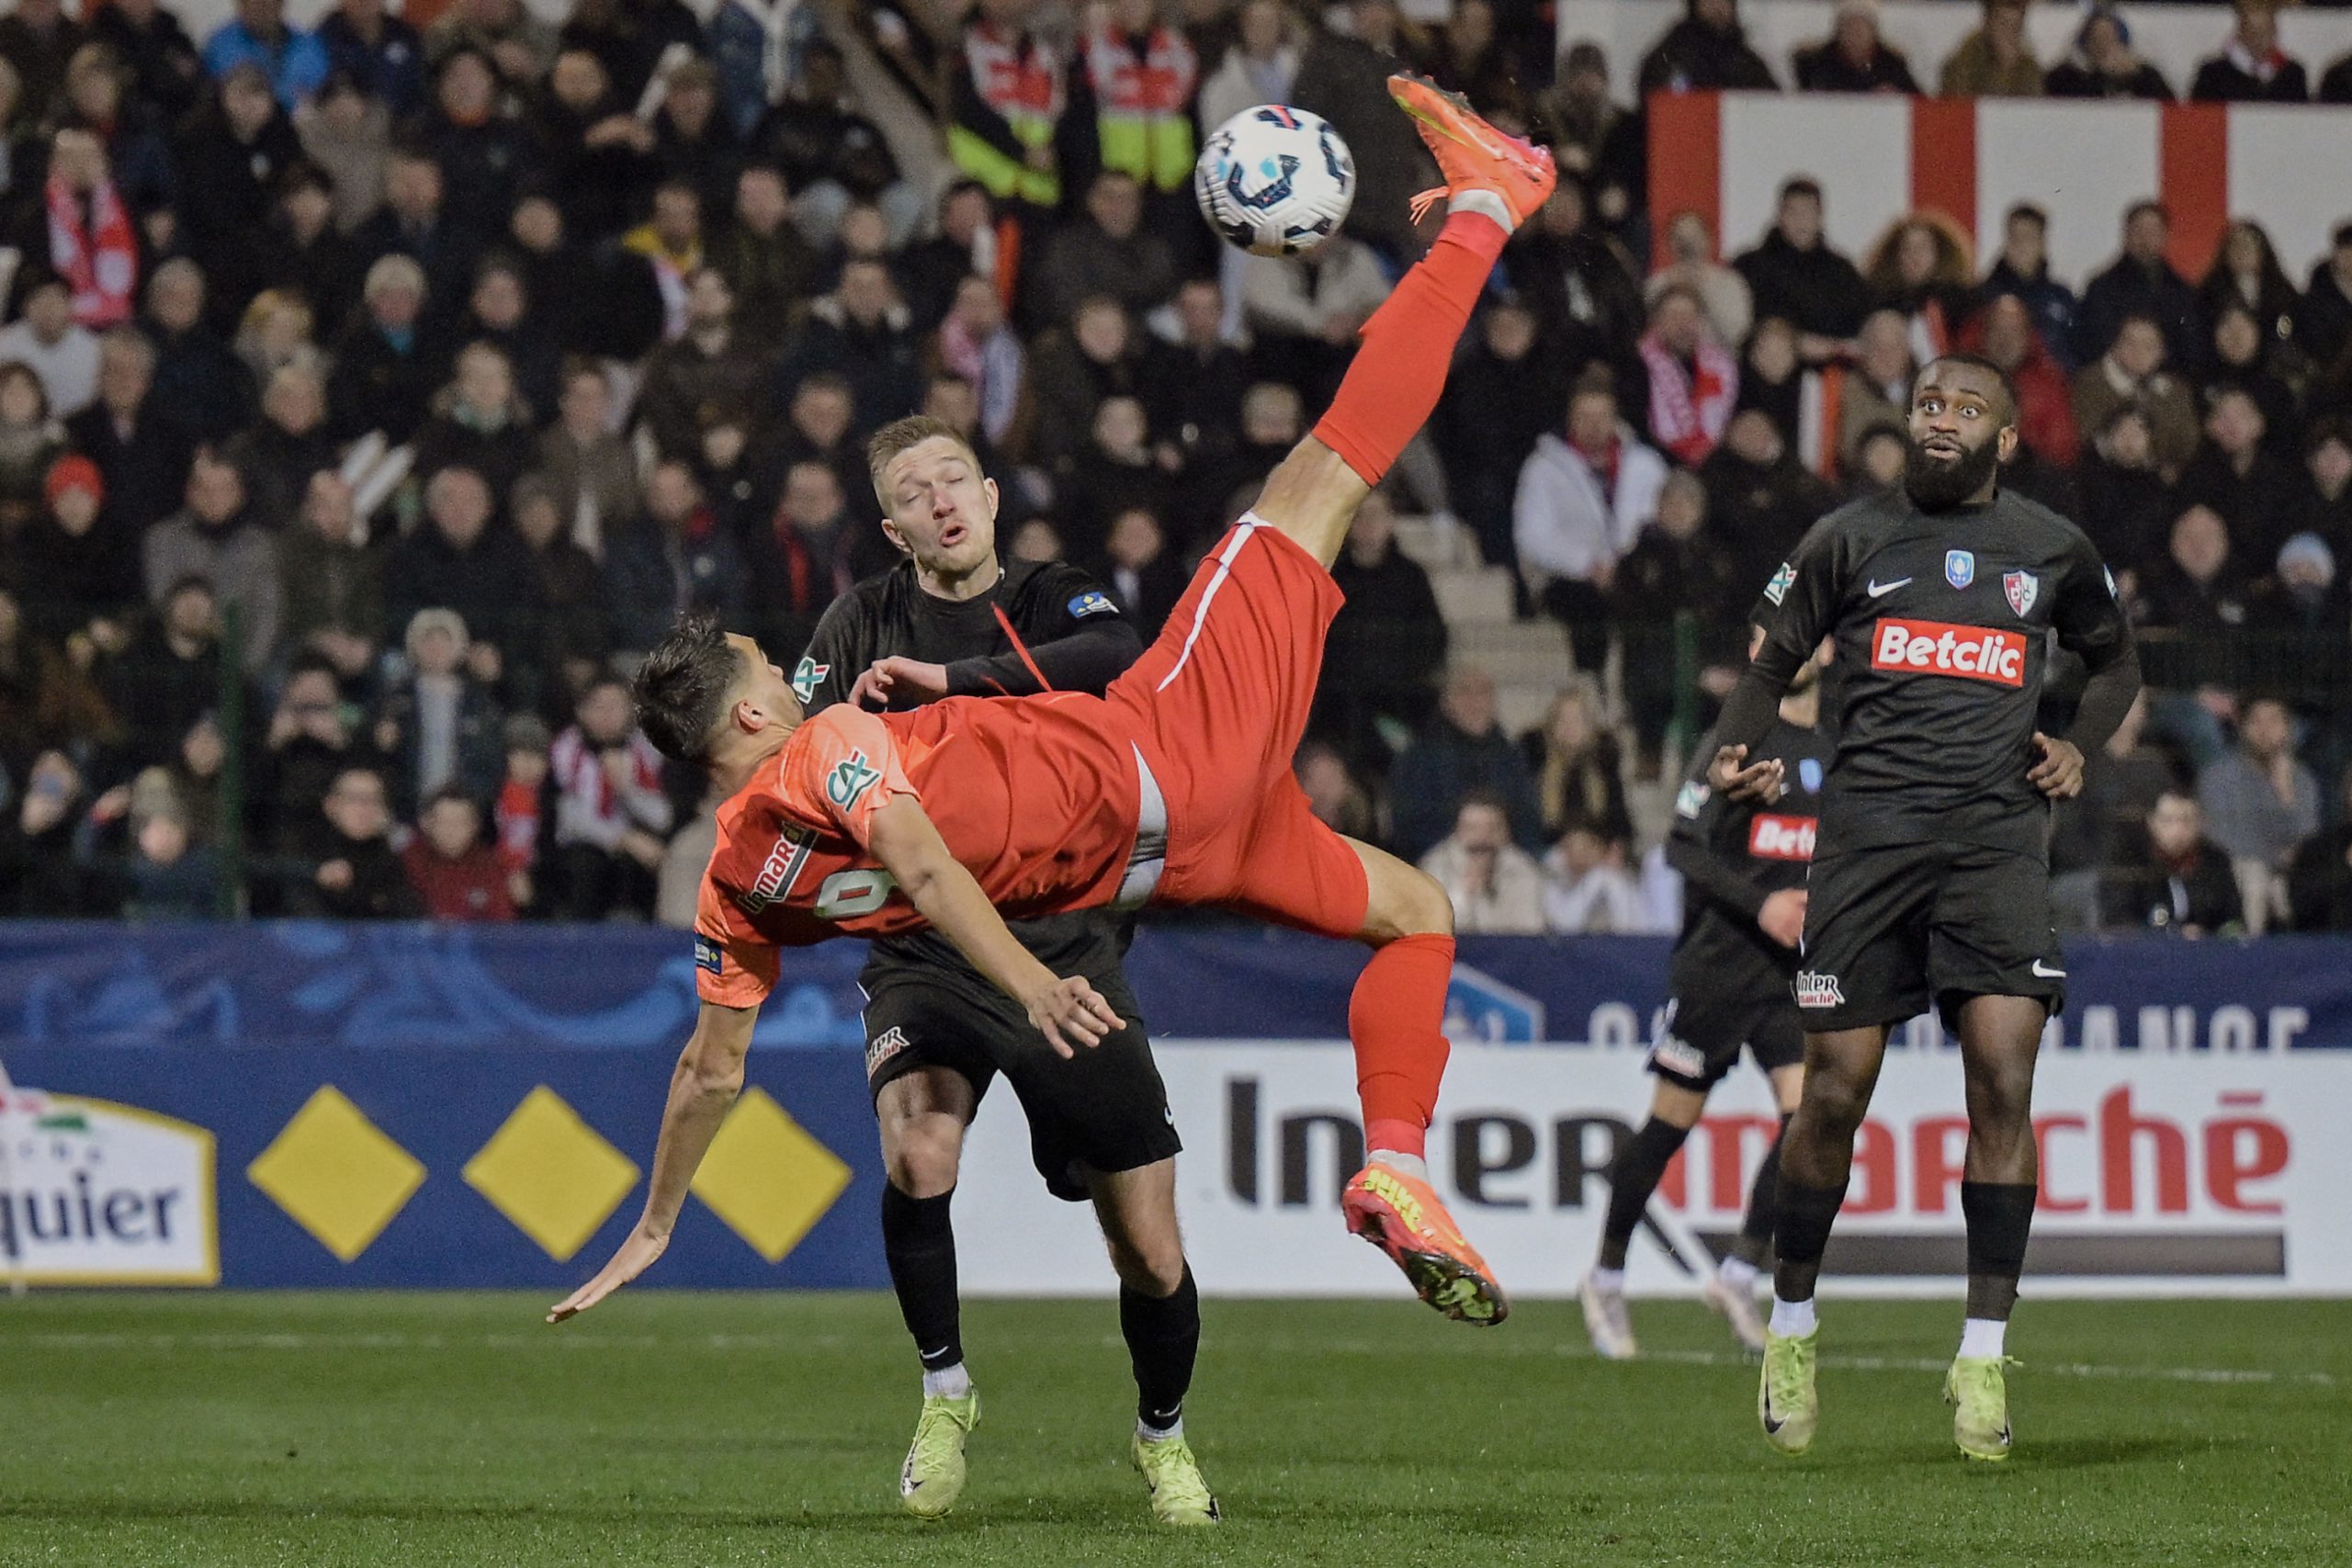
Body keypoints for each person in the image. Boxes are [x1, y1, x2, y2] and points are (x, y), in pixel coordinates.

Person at [553, 82, 1559, 1375]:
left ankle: (1396, 1167)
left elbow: (708, 1067)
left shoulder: (735, 882)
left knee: (1417, 909)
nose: (793, 673)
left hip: (1184, 856)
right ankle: (1489, 204)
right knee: (1324, 474)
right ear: (754, 710)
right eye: (767, 664)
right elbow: (915, 858)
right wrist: (1032, 983)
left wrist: (655, 1219)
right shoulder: (826, 749)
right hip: (1167, 751)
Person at [1708, 353, 2140, 1461]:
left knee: (2002, 1081)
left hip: (1994, 852)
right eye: (1928, 403)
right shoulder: (1846, 538)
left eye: (1966, 407)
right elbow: (1765, 669)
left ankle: (1983, 1356)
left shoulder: (2052, 549)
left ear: (2005, 436)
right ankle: (1792, 1321)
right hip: (1862, 856)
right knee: (1833, 1097)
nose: (1939, 418)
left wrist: (2077, 748)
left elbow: (2117, 666)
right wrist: (1732, 759)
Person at [789, 414, 1204, 1525]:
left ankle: (1162, 1439)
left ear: (988, 493)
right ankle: (944, 1392)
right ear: (893, 526)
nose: (940, 499)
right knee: (920, 1152)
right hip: (925, 946)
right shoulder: (855, 622)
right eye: (914, 491)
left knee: (1148, 1247)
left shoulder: (1054, 597)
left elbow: (1122, 661)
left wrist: (946, 680)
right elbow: (799, 746)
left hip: (1064, 943)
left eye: (953, 478)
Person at [1584, 629, 1831, 1361]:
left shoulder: (1844, 738)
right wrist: (1762, 907)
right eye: (1765, 636)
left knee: (1810, 1116)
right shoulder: (1739, 734)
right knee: (1670, 1124)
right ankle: (1605, 1272)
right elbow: (1682, 845)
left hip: (1791, 970)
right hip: (1721, 965)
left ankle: (1738, 1269)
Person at [2102, 789, 2243, 937]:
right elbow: (2117, 920)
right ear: (2152, 822)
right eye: (2167, 820)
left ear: (2201, 823)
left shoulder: (2215, 861)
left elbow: (2232, 921)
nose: (2177, 831)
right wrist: (2168, 934)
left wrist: (2207, 935)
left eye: (2186, 820)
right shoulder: (2129, 861)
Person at [1419, 792, 1544, 934]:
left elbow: (1531, 931)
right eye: (1472, 828)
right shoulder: (1435, 867)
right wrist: (1464, 893)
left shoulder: (1523, 870)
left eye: (1492, 828)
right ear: (1457, 831)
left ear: (1506, 832)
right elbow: (1434, 930)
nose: (1482, 838)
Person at [2190, 0, 2307, 104]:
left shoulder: (2292, 75)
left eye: (2266, 32)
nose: (2262, 41)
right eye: (2255, 33)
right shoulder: (2213, 75)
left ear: (2274, 29)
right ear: (2241, 28)